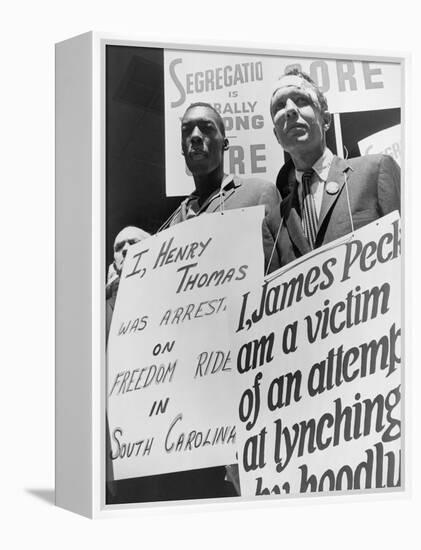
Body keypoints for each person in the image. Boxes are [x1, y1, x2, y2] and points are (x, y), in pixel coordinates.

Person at [263, 69, 400, 274]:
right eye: (280, 106)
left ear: (325, 120)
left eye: (301, 100)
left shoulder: (376, 171)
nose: (290, 110)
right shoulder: (275, 221)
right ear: (277, 136)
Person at [160, 102, 280, 229]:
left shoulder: (260, 193)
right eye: (187, 130)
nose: (195, 136)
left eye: (206, 128)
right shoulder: (174, 222)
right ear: (182, 148)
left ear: (225, 143)